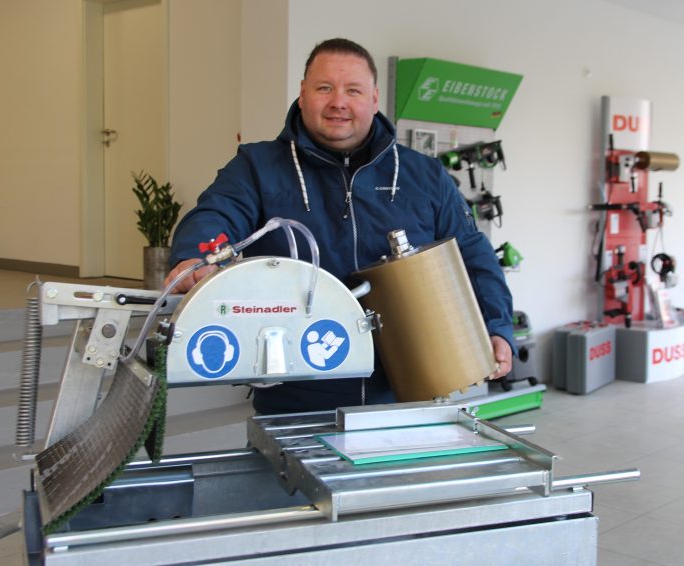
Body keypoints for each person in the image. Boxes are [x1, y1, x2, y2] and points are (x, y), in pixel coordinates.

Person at [165, 37, 515, 415]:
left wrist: (497, 326)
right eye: (324, 88)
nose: (339, 102)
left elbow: (472, 251)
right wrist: (195, 257)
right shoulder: (257, 167)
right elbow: (215, 215)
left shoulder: (424, 174)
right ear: (302, 94)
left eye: (353, 90)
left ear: (374, 98)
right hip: (296, 395)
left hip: (410, 391)